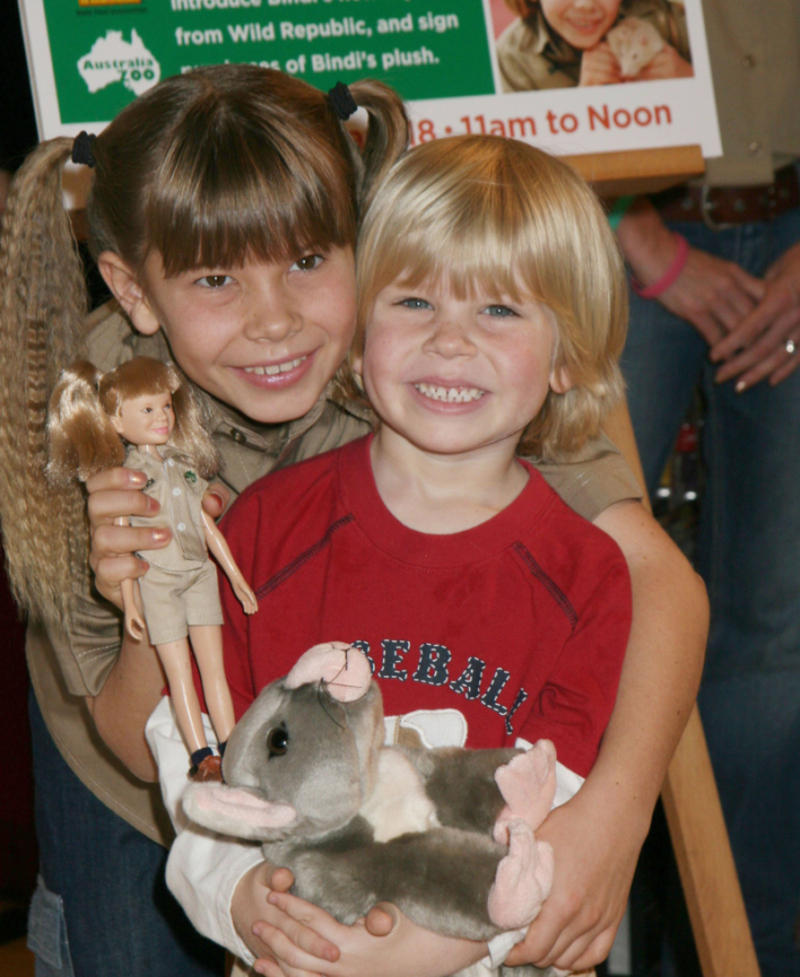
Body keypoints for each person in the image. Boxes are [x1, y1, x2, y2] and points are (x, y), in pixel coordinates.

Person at [0, 64, 705, 977]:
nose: (277, 322)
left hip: (368, 781)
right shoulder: (93, 414)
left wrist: (614, 813)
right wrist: (150, 588)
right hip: (145, 759)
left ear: (364, 245)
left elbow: (660, 583)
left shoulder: (434, 356)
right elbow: (143, 736)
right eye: (216, 278)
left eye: (307, 261)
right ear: (134, 292)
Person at [150, 133, 634, 974]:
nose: (450, 340)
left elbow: (557, 813)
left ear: (568, 355)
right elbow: (192, 738)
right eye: (413, 303)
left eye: (500, 309)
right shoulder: (265, 530)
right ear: (360, 326)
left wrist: (397, 958)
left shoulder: (586, 573)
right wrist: (231, 892)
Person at [614, 3, 800, 973]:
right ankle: (538, 931)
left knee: (776, 625)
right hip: (601, 215)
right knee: (569, 590)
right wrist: (633, 231)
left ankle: (748, 952)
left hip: (791, 234)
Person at [47, 357, 258, 781]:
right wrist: (130, 604)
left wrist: (235, 578)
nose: (162, 417)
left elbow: (207, 527)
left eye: (166, 407)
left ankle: (232, 743)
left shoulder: (183, 466)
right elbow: (120, 546)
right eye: (148, 410)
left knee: (210, 665)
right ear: (116, 421)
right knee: (179, 670)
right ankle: (202, 753)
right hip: (158, 585)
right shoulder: (126, 479)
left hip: (200, 576)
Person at [496, 0, 692, 92]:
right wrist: (584, 110)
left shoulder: (670, 19)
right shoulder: (511, 57)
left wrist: (691, 80)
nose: (585, 4)